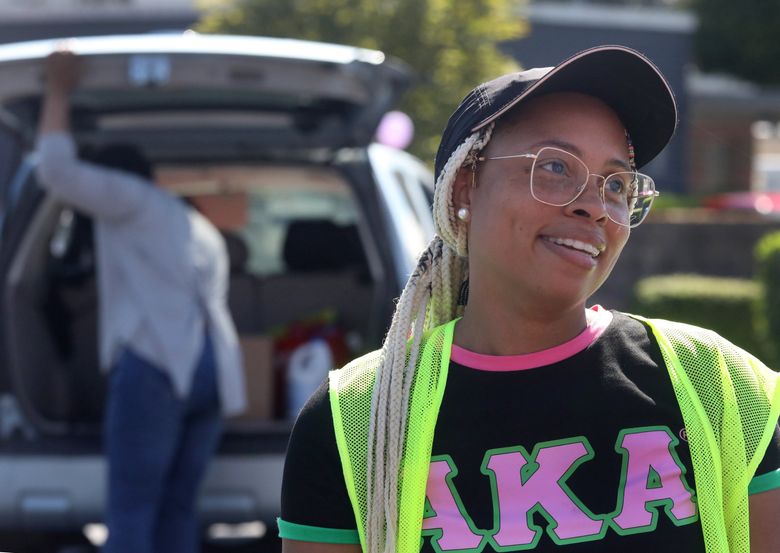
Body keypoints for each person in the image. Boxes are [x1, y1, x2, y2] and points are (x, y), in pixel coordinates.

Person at [278, 45, 780, 552]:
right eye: (556, 166)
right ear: (464, 188)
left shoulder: (717, 384)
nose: (594, 206)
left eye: (617, 184)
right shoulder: (355, 421)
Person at [36, 47, 247, 553]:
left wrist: (58, 90)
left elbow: (56, 171)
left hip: (157, 366)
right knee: (177, 510)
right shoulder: (190, 220)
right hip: (211, 372)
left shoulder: (129, 202)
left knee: (131, 510)